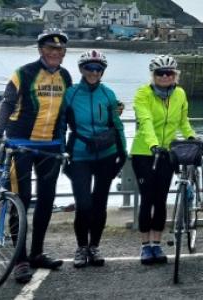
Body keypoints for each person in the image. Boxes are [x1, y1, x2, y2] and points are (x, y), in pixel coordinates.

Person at [0, 28, 72, 283]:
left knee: (47, 199)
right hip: (20, 144)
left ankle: (37, 253)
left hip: (51, 146)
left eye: (59, 50)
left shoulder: (66, 77)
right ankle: (20, 259)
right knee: (20, 199)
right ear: (40, 50)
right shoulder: (23, 73)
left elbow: (67, 111)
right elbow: (6, 104)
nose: (54, 53)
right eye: (50, 48)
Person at [131, 55, 196, 265]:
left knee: (160, 200)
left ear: (175, 75)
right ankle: (144, 246)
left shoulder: (180, 94)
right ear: (153, 75)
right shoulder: (143, 94)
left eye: (169, 73)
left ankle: (156, 244)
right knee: (147, 199)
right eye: (160, 73)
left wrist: (192, 137)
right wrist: (152, 144)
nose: (165, 76)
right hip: (144, 153)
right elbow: (146, 121)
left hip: (168, 153)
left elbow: (183, 121)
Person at [63, 49, 125, 268]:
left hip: (106, 155)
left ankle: (94, 246)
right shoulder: (70, 94)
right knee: (84, 203)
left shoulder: (108, 94)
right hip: (79, 154)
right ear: (81, 69)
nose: (93, 72)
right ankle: (81, 247)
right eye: (89, 68)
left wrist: (122, 152)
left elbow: (117, 124)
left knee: (99, 203)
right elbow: (61, 124)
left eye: (98, 68)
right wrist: (62, 153)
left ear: (102, 71)